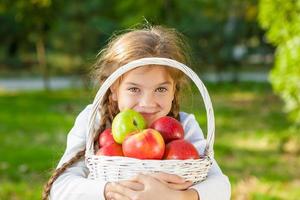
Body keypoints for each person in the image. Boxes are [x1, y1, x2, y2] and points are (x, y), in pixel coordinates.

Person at [42, 25, 231, 200]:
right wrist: (109, 190)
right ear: (113, 89)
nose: (147, 103)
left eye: (161, 89)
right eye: (134, 89)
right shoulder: (94, 120)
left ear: (174, 91)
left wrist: (179, 197)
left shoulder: (184, 126)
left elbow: (222, 187)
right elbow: (60, 188)